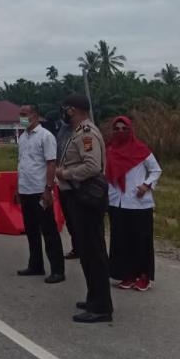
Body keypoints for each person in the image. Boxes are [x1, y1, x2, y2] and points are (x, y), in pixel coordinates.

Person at [55, 93, 112, 323]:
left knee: (94, 253)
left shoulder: (87, 133)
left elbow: (92, 166)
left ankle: (101, 307)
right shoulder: (77, 133)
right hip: (78, 196)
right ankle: (94, 298)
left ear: (74, 110)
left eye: (66, 108)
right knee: (87, 253)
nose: (64, 112)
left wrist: (65, 173)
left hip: (87, 197)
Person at [106, 115, 162, 292]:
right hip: (117, 202)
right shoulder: (110, 150)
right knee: (121, 240)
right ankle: (127, 274)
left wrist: (146, 185)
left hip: (138, 204)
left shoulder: (141, 149)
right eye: (117, 129)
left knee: (140, 241)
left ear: (131, 130)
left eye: (124, 129)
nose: (120, 131)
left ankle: (143, 276)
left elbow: (156, 170)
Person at [17, 105, 65, 283]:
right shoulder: (22, 137)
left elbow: (51, 163)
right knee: (31, 231)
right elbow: (21, 163)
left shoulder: (46, 136)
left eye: (25, 114)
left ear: (35, 116)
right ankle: (36, 265)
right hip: (25, 189)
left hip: (40, 190)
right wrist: (18, 188)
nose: (22, 117)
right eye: (20, 114)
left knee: (49, 231)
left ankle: (58, 270)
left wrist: (48, 189)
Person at [44, 109, 79, 260]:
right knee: (70, 218)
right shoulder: (62, 130)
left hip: (78, 182)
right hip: (63, 180)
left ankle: (85, 248)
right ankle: (77, 247)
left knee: (80, 219)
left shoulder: (81, 131)